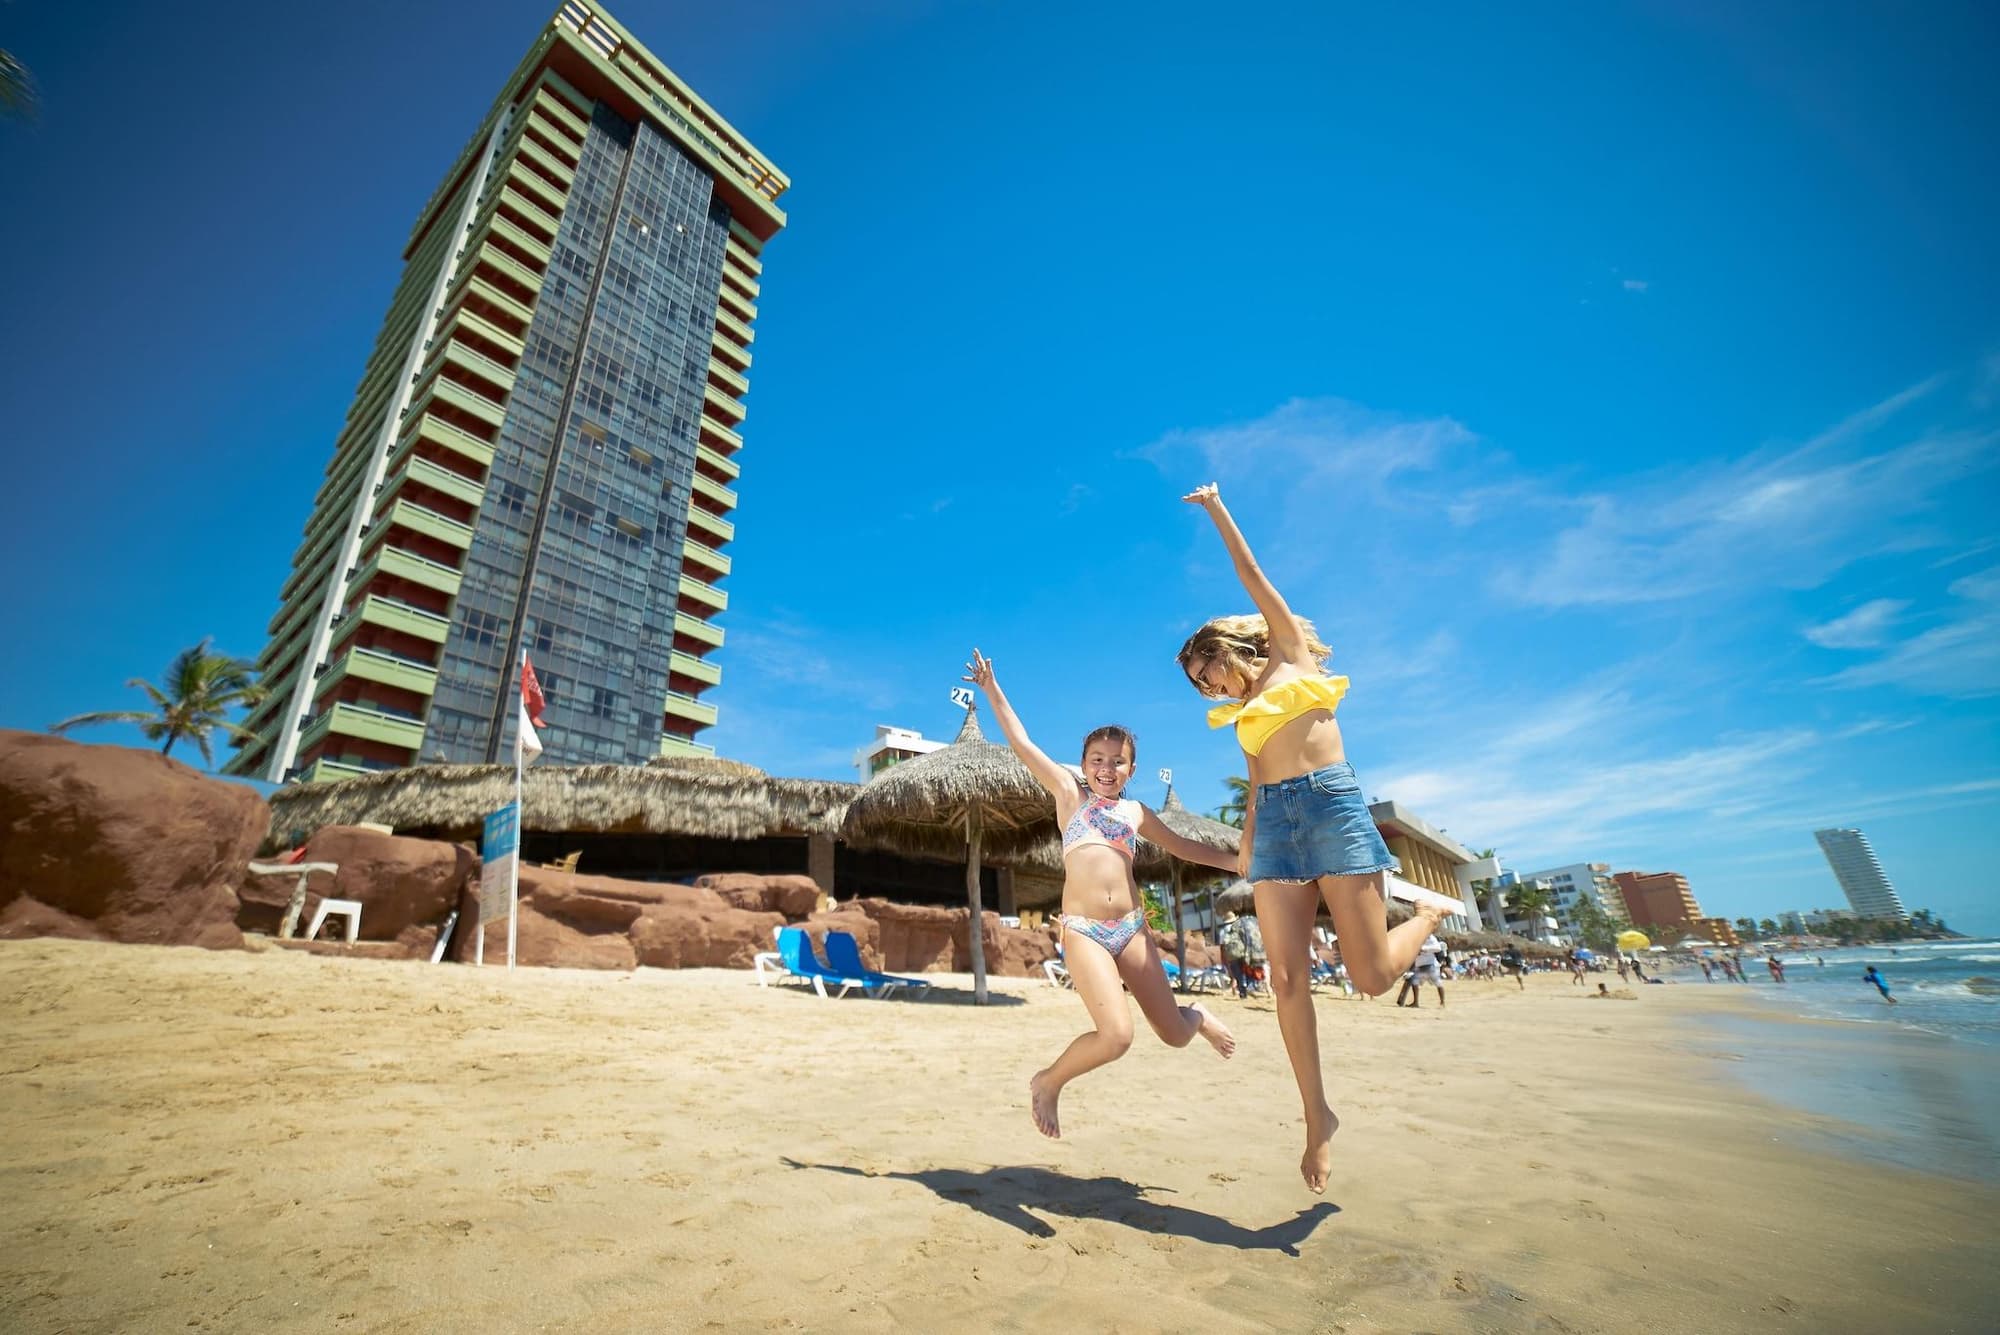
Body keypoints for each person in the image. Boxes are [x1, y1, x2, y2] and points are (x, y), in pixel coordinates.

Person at [1175, 484, 1465, 1192]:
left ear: (1225, 648)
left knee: (1371, 979)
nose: (1209, 687)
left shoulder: (1290, 655)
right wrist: (1248, 846)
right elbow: (1255, 783)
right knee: (1285, 978)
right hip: (1276, 823)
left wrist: (1216, 510)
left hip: (1333, 807)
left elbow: (1252, 574)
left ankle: (1425, 917)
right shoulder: (1241, 717)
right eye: (1199, 685)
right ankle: (1316, 1115)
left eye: (1208, 671)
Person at [963, 648, 1239, 1140]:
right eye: (1097, 760)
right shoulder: (1070, 795)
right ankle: (1049, 1082)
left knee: (1175, 1034)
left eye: (1118, 761)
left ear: (1131, 768)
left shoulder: (1135, 813)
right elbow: (1022, 743)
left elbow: (1184, 847)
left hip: (1131, 930)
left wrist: (1238, 863)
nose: (1107, 768)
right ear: (1083, 763)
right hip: (1085, 931)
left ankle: (1197, 1016)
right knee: (1116, 1036)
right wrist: (991, 688)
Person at [1396, 933, 1448, 1008]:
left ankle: (1442, 1002)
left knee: (1438, 983)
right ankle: (1415, 1002)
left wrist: (1423, 948)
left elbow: (1438, 948)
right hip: (1420, 966)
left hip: (1429, 965)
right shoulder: (1417, 937)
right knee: (1414, 982)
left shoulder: (1430, 937)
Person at [1216, 910, 1251, 997]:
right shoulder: (1240, 928)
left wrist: (1223, 958)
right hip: (1241, 952)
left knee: (1235, 973)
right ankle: (1243, 988)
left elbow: (1222, 946)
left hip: (1230, 955)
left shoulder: (1223, 931)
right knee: (1243, 971)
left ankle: (1239, 990)